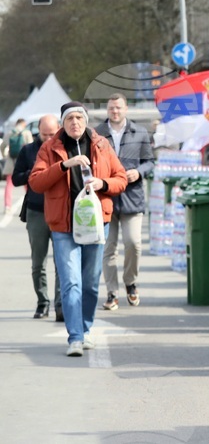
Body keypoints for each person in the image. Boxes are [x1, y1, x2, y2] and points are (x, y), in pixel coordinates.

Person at [29, 102, 126, 357]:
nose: (75, 122)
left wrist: (102, 182)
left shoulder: (101, 144)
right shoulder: (50, 148)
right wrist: (64, 165)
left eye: (79, 118)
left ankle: (85, 329)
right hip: (63, 226)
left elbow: (121, 178)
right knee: (71, 282)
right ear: (63, 123)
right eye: (70, 118)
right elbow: (36, 182)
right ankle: (75, 337)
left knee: (91, 284)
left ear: (85, 121)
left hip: (96, 224)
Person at [96, 94, 154, 309]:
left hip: (132, 198)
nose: (115, 111)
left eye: (118, 108)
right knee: (108, 248)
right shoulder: (97, 134)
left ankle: (131, 282)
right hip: (106, 197)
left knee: (133, 243)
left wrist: (138, 172)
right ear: (107, 110)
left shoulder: (139, 132)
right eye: (111, 108)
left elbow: (150, 161)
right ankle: (112, 293)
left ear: (126, 109)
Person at [12, 115, 63, 320]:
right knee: (38, 262)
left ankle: (60, 304)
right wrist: (33, 173)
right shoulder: (28, 150)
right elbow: (16, 178)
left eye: (52, 134)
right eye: (44, 134)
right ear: (38, 132)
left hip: (60, 210)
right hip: (36, 210)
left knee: (62, 261)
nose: (48, 138)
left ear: (59, 130)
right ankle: (42, 302)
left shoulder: (64, 148)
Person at [3, 118, 33, 211]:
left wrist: (5, 156)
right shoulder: (26, 133)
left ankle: (7, 206)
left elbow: (3, 145)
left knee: (9, 184)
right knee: (27, 184)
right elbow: (31, 147)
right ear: (23, 124)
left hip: (11, 161)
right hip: (24, 163)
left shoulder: (9, 133)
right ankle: (30, 203)